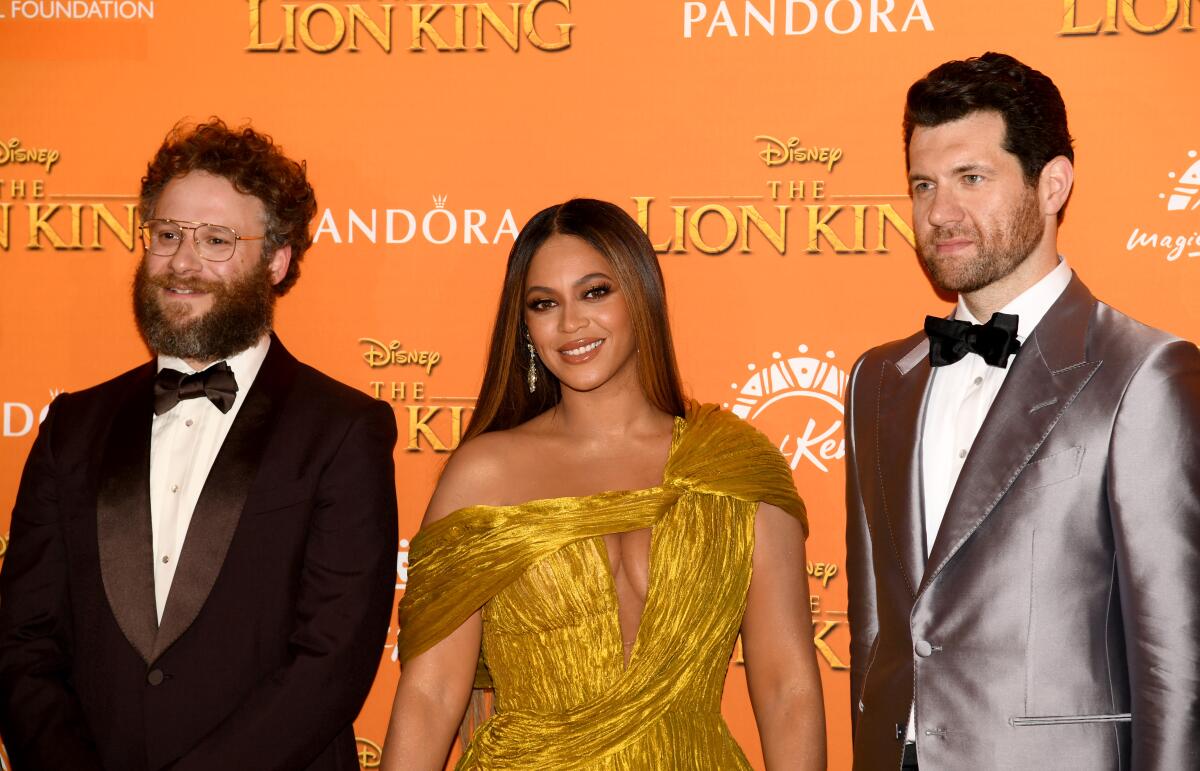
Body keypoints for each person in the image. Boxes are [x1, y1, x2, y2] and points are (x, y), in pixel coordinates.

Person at [0, 119, 399, 771]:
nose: (184, 262)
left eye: (216, 239)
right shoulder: (72, 428)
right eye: (167, 235)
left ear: (277, 259)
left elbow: (332, 659)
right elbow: (23, 643)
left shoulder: (342, 430)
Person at [379, 198, 826, 769]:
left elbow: (787, 686)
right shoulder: (484, 474)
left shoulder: (732, 466)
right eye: (545, 304)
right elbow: (431, 693)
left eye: (595, 292)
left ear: (640, 297)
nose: (570, 324)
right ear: (526, 327)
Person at [845, 52, 1200, 770]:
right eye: (923, 184)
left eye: (972, 178)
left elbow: (1179, 662)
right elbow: (875, 629)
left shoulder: (1141, 373)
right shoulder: (878, 378)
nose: (940, 212)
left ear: (1053, 183)